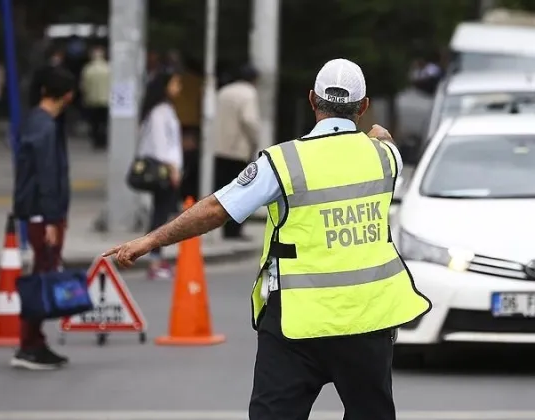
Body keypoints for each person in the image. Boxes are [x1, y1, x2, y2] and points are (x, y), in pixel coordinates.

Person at [103, 58, 432, 420]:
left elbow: (216, 209)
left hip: (296, 322)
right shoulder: (385, 158)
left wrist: (150, 241)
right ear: (364, 106)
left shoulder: (283, 162)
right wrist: (378, 134)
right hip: (369, 320)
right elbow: (383, 138)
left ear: (312, 100)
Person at [11, 66, 76, 370]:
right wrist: (52, 219)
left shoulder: (36, 121)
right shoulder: (46, 127)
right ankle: (30, 346)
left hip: (38, 213)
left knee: (42, 273)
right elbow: (47, 176)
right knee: (42, 276)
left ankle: (33, 342)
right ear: (67, 95)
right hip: (42, 215)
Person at [136, 68, 183, 280]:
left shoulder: (164, 109)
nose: (178, 88)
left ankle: (156, 256)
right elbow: (160, 144)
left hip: (167, 168)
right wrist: (172, 168)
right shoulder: (159, 112)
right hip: (163, 170)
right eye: (175, 83)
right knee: (160, 214)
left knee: (162, 212)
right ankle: (154, 258)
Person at [212, 64, 260, 239]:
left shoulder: (223, 92)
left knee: (223, 191)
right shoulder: (249, 93)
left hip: (219, 147)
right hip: (238, 149)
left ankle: (224, 228)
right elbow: (249, 119)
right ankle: (234, 231)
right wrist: (255, 140)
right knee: (240, 192)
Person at [80, 46, 110, 150]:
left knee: (94, 122)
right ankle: (103, 140)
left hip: (92, 100)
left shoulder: (88, 69)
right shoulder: (108, 68)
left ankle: (96, 140)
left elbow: (84, 86)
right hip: (106, 100)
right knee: (104, 122)